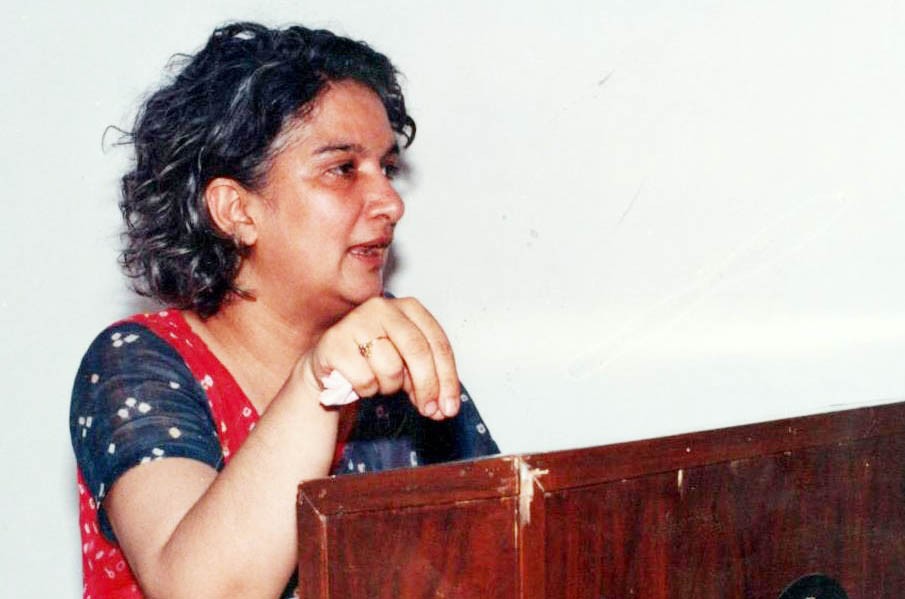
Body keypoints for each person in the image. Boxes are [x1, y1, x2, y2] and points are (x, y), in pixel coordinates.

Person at [69, 22, 499, 598]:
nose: (391, 203)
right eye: (342, 169)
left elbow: (504, 558)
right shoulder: (137, 362)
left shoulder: (392, 352)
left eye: (387, 169)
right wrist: (318, 381)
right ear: (236, 210)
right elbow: (205, 592)